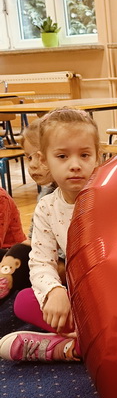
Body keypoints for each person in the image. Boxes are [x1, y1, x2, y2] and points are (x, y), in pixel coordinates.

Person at [0, 107, 101, 363]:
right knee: (24, 301)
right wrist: (54, 291)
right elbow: (40, 261)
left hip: (112, 295)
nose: (75, 165)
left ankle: (66, 348)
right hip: (78, 297)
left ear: (97, 157)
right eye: (62, 156)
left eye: (84, 155)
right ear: (44, 160)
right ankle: (83, 343)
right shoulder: (47, 207)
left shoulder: (107, 197)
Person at [0, 119, 57, 303]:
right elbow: (34, 239)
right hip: (40, 257)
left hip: (58, 264)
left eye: (40, 157)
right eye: (29, 157)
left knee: (17, 253)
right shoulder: (45, 195)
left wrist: (17, 254)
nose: (33, 165)